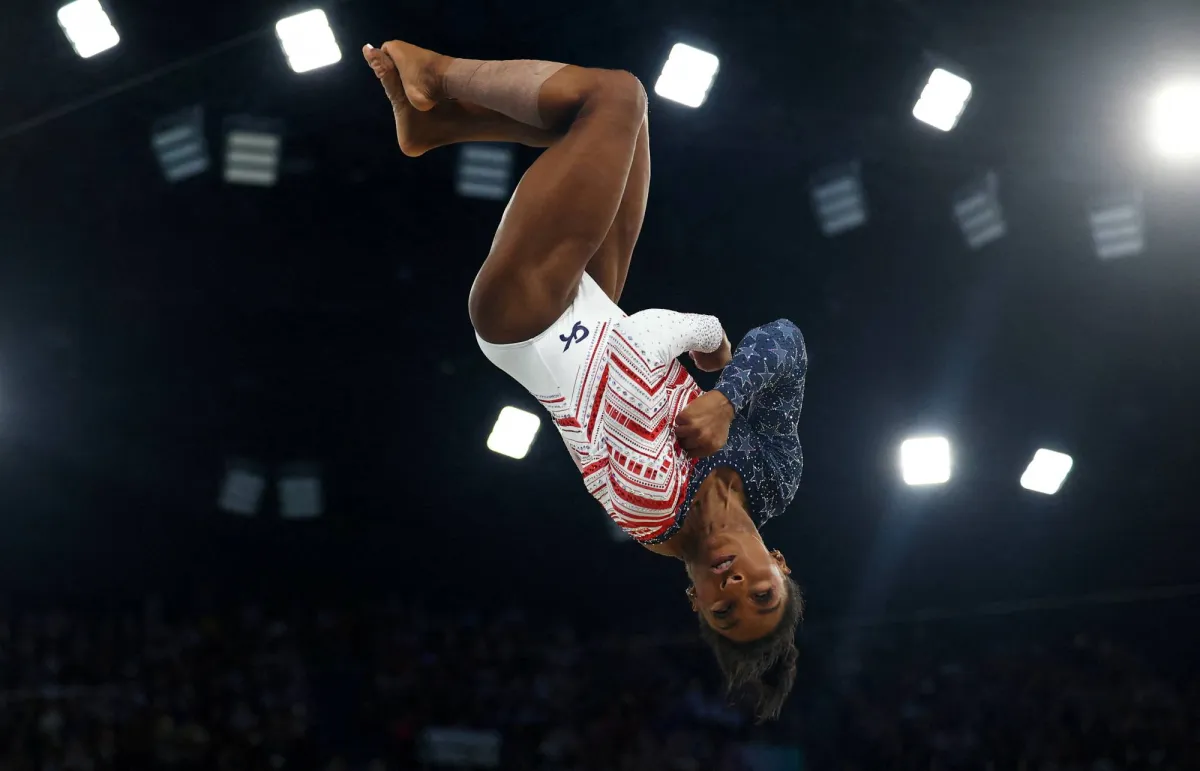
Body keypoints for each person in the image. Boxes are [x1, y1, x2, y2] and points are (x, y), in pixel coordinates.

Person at [363, 40, 808, 721]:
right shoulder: (776, 477)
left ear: (694, 600)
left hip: (529, 317)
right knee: (627, 121)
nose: (734, 584)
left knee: (613, 98)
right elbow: (787, 342)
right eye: (761, 594)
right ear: (780, 564)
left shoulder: (649, 505)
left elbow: (645, 339)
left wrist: (715, 345)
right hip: (596, 305)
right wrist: (727, 396)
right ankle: (436, 127)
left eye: (723, 609)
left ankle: (439, 75)